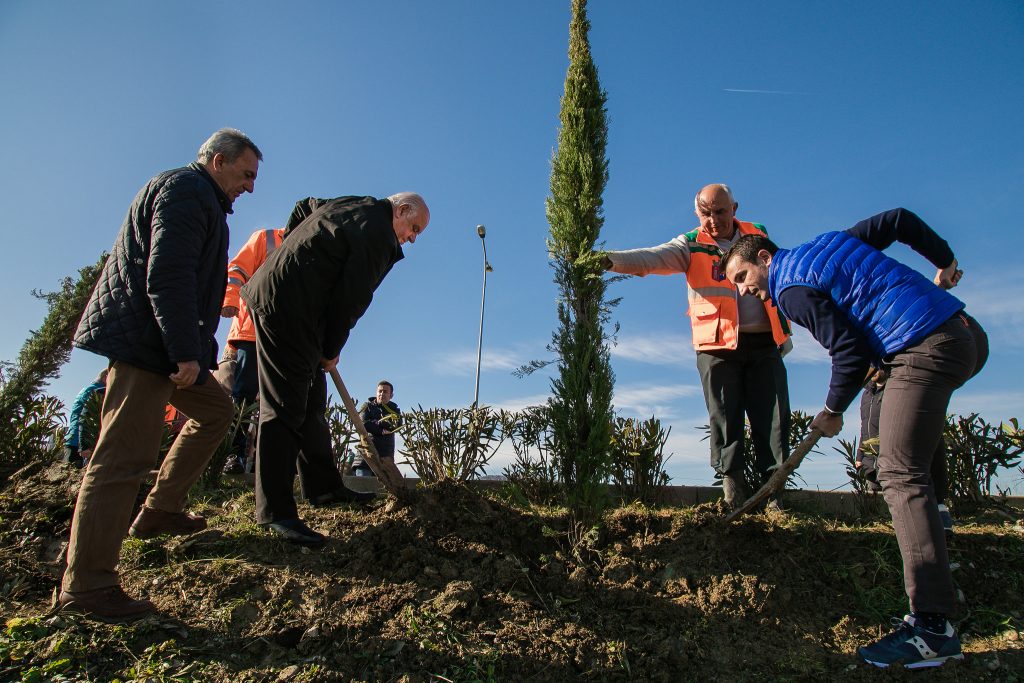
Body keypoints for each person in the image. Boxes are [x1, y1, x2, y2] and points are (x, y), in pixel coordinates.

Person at [721, 207, 988, 669]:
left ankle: (932, 627)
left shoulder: (788, 288)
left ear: (764, 257)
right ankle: (939, 521)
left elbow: (848, 350)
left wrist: (829, 412)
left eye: (742, 276)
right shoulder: (833, 243)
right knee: (888, 405)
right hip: (963, 333)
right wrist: (942, 260)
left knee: (899, 474)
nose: (744, 290)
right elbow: (899, 220)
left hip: (922, 345)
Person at [59, 128, 261, 620]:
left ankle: (161, 510)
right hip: (147, 346)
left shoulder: (202, 199)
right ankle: (86, 586)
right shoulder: (187, 190)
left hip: (166, 344)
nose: (251, 186)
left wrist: (193, 349)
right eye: (246, 174)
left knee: (216, 410)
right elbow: (166, 273)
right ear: (218, 161)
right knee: (121, 458)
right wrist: (182, 350)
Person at [240, 192, 430, 546]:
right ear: (401, 210)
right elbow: (351, 300)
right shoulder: (377, 234)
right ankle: (275, 512)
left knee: (312, 405)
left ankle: (324, 488)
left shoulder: (354, 204)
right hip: (287, 310)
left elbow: (304, 204)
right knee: (284, 408)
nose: (413, 237)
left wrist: (298, 248)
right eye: (414, 227)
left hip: (298, 307)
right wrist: (330, 350)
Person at [603, 184, 792, 507]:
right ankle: (732, 490)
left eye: (720, 211)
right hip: (716, 345)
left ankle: (774, 493)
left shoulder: (756, 235)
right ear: (697, 213)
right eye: (706, 213)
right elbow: (652, 258)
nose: (713, 219)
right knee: (724, 415)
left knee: (773, 416)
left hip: (764, 341)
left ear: (734, 208)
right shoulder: (691, 244)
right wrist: (610, 261)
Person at [220, 227, 287, 474]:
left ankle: (266, 460)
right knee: (244, 395)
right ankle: (233, 454)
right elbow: (238, 270)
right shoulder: (266, 238)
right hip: (251, 329)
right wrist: (229, 300)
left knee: (276, 399)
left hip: (282, 337)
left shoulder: (307, 247)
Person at [858, 369, 955, 533]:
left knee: (907, 495)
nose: (871, 369)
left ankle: (936, 526)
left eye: (874, 365)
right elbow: (865, 426)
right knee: (877, 500)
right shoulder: (867, 394)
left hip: (897, 454)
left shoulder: (899, 389)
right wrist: (860, 455)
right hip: (871, 457)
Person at [353, 380, 403, 479]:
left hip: (385, 459)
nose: (381, 394)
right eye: (380, 391)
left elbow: (396, 426)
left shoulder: (395, 410)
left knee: (381, 492)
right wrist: (381, 430)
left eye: (385, 391)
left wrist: (376, 423)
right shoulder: (367, 407)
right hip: (365, 459)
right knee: (364, 487)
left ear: (391, 395)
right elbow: (364, 424)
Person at [63, 369, 108, 468]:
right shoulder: (98, 391)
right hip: (81, 441)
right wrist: (84, 444)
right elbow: (85, 416)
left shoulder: (87, 389)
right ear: (106, 377)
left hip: (73, 439)